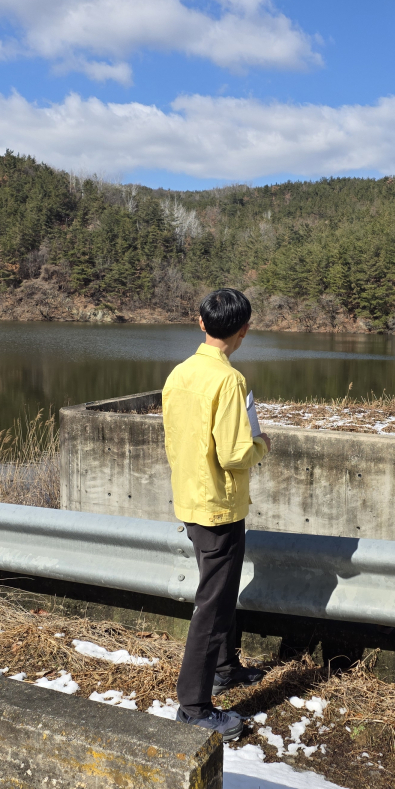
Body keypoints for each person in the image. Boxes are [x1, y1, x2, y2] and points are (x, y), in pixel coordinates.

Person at [162, 288, 271, 741]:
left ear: (201, 323)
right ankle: (193, 707)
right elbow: (233, 454)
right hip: (219, 508)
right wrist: (261, 446)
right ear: (244, 330)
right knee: (213, 603)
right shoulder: (230, 381)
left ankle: (225, 668)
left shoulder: (180, 374)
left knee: (219, 593)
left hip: (191, 499)